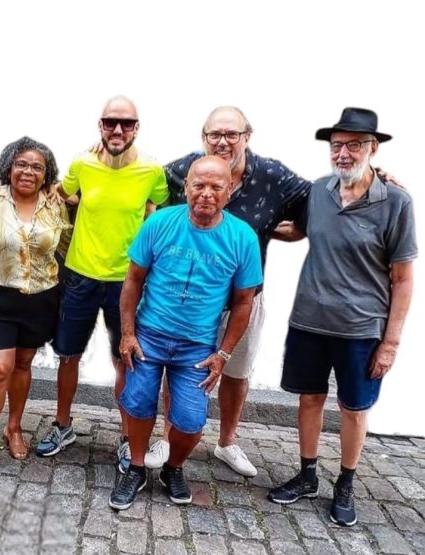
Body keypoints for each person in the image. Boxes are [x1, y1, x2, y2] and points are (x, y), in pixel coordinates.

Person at [268, 108, 416, 527]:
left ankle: (346, 483)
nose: (344, 153)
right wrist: (250, 228)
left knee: (353, 408)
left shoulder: (396, 202)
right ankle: (308, 474)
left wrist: (390, 343)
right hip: (309, 321)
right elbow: (295, 230)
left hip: (362, 330)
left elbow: (403, 279)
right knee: (309, 399)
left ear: (373, 148)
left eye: (354, 144)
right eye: (337, 145)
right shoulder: (318, 192)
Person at [145, 106, 310, 476]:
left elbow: (318, 206)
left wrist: (275, 232)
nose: (222, 141)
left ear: (247, 137)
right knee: (180, 366)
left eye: (231, 134)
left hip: (245, 297)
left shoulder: (273, 176)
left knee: (236, 369)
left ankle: (227, 442)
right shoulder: (180, 171)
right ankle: (169, 438)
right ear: (203, 138)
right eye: (214, 134)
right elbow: (146, 200)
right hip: (189, 297)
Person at [110, 156, 262, 511]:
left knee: (192, 420)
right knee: (137, 402)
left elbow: (243, 303)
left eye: (216, 187)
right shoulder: (160, 223)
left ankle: (173, 468)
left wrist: (223, 355)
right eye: (199, 185)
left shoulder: (242, 238)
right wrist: (128, 334)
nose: (206, 194)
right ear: (186, 187)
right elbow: (133, 280)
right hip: (149, 335)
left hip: (198, 346)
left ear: (230, 190)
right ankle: (135, 467)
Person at [36, 96, 169, 473]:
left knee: (123, 360)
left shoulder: (151, 171)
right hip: (79, 275)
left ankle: (128, 438)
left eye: (126, 124)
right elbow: (61, 194)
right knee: (68, 355)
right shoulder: (82, 163)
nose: (117, 130)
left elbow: (158, 206)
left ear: (136, 128)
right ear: (100, 125)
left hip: (126, 282)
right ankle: (63, 426)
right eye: (110, 122)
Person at [0, 136, 70, 481]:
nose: (28, 171)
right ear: (9, 167)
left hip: (42, 297)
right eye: (21, 164)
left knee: (23, 363)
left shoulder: (57, 204)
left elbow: (73, 243)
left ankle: (14, 427)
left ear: (46, 174)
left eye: (37, 166)